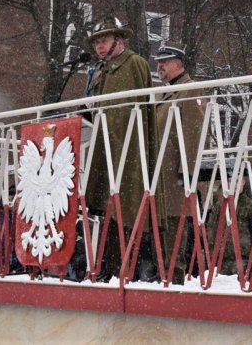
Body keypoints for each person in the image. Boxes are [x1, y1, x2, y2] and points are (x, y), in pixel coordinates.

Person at [83, 17, 164, 280]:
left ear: (120, 40)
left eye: (104, 40)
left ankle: (129, 268)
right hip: (107, 146)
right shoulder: (103, 71)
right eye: (96, 42)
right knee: (107, 209)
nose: (99, 47)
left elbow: (136, 111)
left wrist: (123, 140)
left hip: (127, 148)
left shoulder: (134, 64)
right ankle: (108, 267)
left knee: (127, 207)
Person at [153, 43, 205, 284]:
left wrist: (186, 172)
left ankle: (173, 282)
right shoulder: (164, 93)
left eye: (164, 61)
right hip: (160, 175)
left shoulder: (189, 90)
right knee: (161, 233)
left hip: (174, 175)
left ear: (179, 64)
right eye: (158, 62)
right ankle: (163, 278)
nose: (159, 66)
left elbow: (192, 133)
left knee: (174, 234)